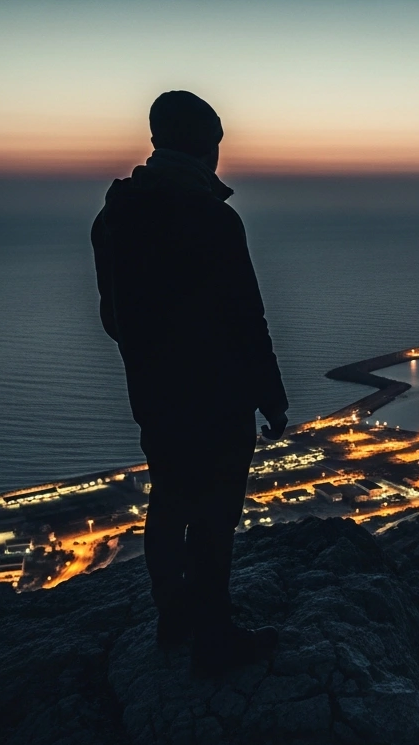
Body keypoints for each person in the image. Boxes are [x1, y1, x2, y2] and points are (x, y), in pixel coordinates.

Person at [92, 90, 289, 676]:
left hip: (154, 394)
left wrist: (152, 357)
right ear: (207, 145)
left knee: (169, 501)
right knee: (214, 516)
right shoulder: (213, 218)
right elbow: (247, 318)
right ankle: (215, 639)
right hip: (219, 395)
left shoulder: (115, 217)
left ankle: (173, 619)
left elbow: (112, 317)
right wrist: (271, 397)